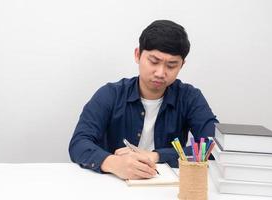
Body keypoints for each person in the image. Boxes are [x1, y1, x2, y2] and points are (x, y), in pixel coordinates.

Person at [68, 20, 218, 180]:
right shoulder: (110, 94)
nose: (160, 73)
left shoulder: (190, 97)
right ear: (137, 55)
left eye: (172, 65)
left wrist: (156, 155)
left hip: (167, 186)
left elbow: (214, 145)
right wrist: (114, 163)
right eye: (154, 61)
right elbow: (79, 143)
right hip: (114, 184)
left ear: (182, 65)